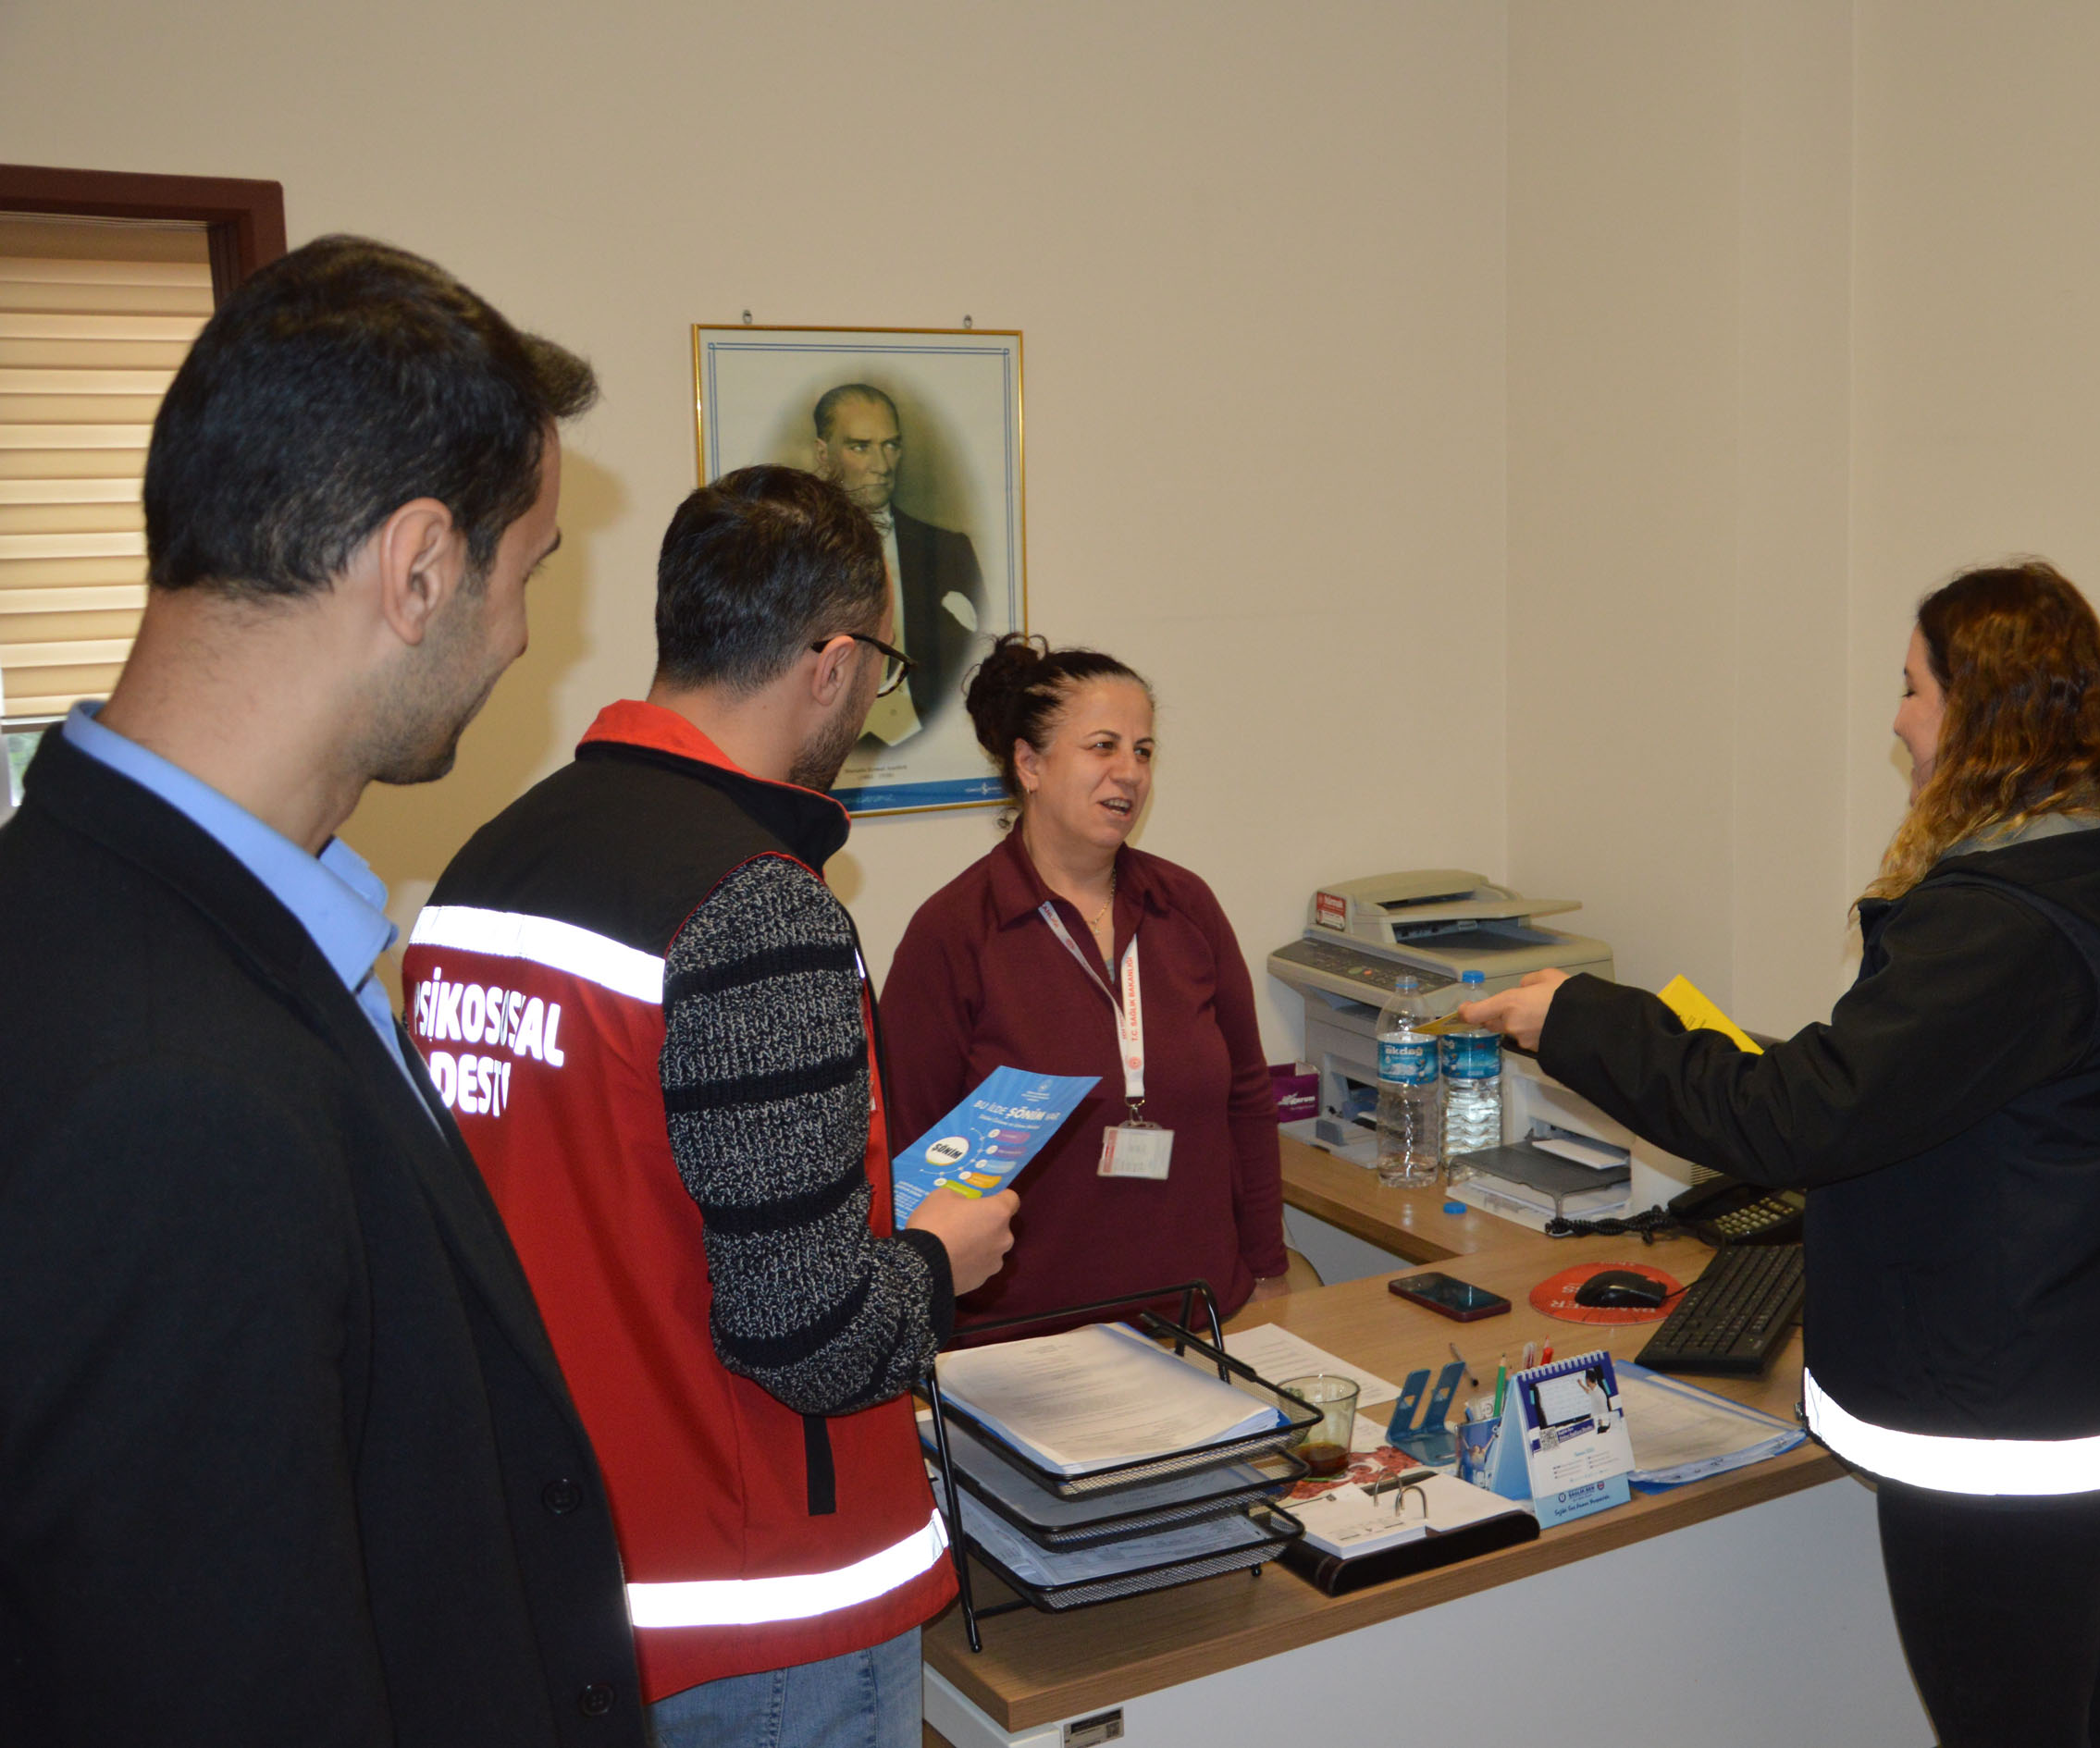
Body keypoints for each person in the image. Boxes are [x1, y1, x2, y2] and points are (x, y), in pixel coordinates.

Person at [0, 237, 637, 1742]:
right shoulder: (173, 1096)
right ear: (419, 570)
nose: (521, 634)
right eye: (527, 570)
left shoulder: (104, 903)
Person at [1464, 561, 2100, 1748]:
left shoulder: (2006, 922)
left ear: (1984, 716)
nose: (1899, 719)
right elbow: (1948, 1089)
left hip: (2013, 1440)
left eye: (1915, 688)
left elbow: (1802, 1121)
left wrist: (1576, 1017)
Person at [401, 464, 1018, 1744]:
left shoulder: (482, 871)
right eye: (882, 671)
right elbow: (807, 1328)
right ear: (834, 664)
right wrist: (937, 1259)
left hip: (564, 1576)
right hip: (762, 1604)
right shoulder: (755, 903)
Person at [882, 634, 1290, 1334]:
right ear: (1029, 764)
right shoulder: (954, 931)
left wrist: (1268, 1269)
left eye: (1143, 751)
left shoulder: (1185, 906)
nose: (1129, 772)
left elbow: (1248, 1100)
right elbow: (909, 1146)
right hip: (1023, 1340)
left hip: (1198, 1316)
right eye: (1103, 747)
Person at [811, 381, 983, 740]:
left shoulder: (950, 551)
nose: (881, 465)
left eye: (890, 446)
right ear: (823, 454)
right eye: (860, 447)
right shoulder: (791, 554)